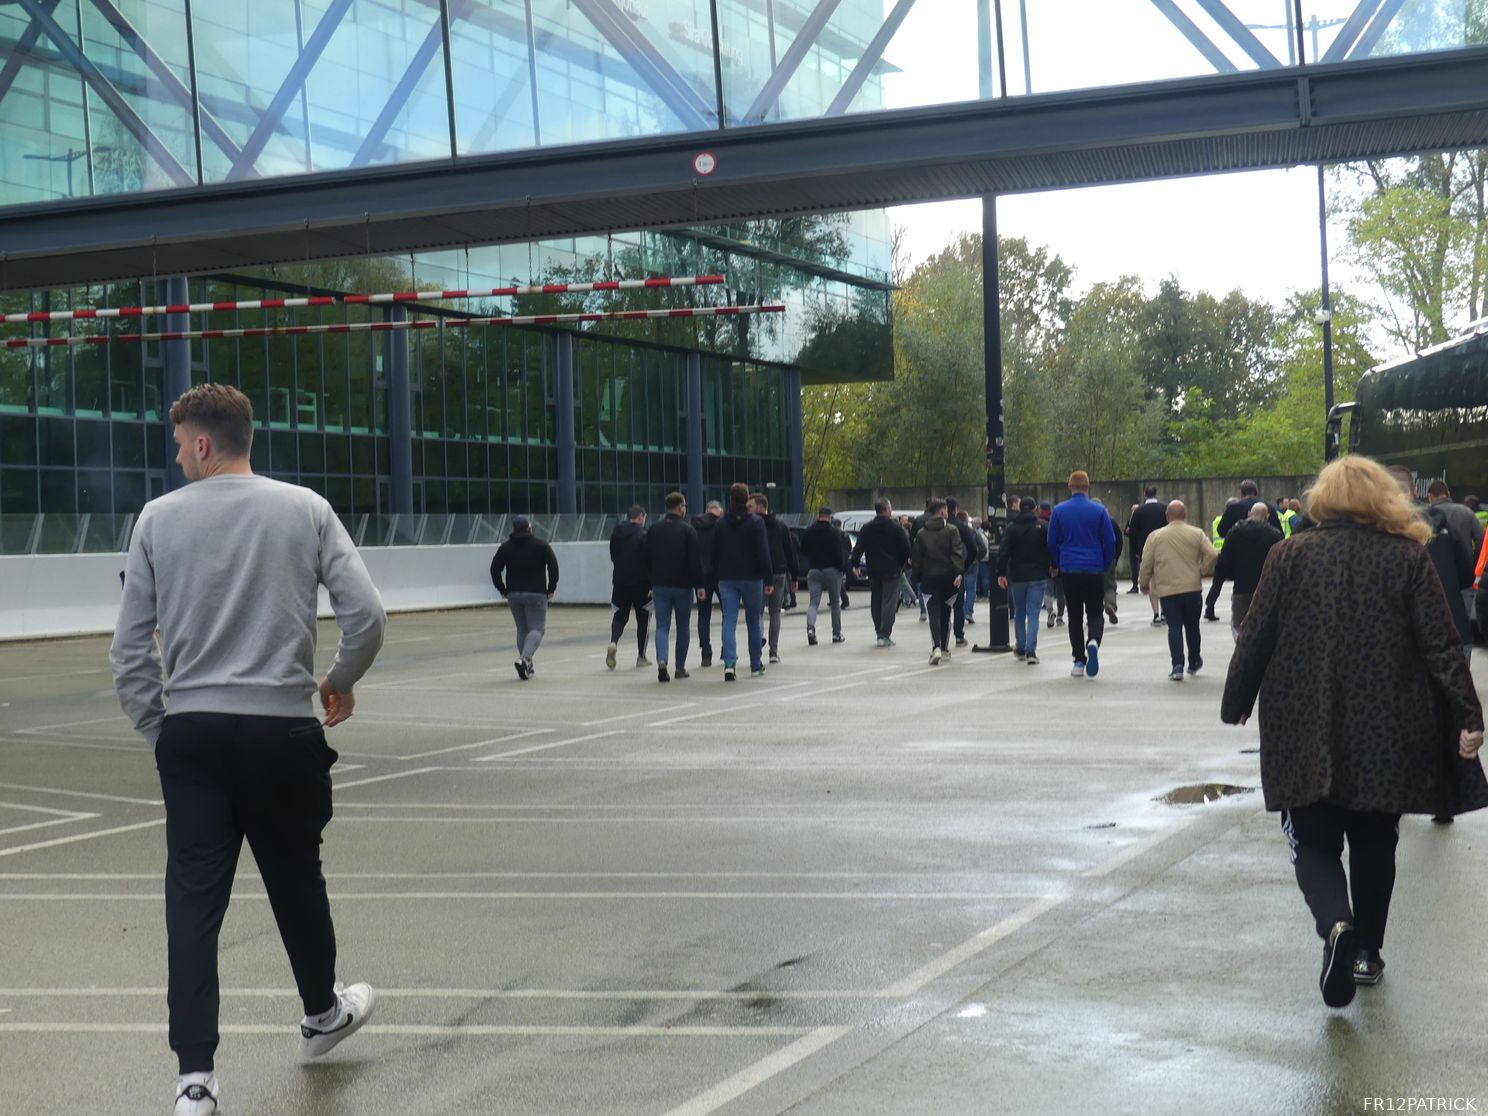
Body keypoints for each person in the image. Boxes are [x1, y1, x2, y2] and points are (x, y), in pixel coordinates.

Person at [109, 384, 386, 1116]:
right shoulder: (305, 508)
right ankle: (323, 1014)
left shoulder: (156, 520)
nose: (176, 458)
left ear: (203, 444)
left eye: (178, 446)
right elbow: (367, 616)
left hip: (195, 734)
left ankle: (195, 1081)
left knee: (193, 904)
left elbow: (129, 650)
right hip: (282, 730)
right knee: (296, 878)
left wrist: (161, 729)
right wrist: (340, 680)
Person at [1221, 455, 1487, 1008]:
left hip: (1303, 721)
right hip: (1388, 727)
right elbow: (1441, 643)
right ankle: (1366, 951)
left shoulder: (1288, 555)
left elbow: (1256, 636)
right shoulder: (1408, 559)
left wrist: (1237, 701)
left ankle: (1335, 927)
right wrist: (1469, 715)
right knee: (1375, 840)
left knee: (1312, 839)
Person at [1138, 500, 1219, 680]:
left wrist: (1143, 582)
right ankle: (1195, 660)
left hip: (1167, 589)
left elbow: (1147, 563)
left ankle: (1177, 665)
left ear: (1167, 516)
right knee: (1192, 626)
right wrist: (1203, 570)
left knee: (1174, 627)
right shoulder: (1196, 533)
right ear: (1185, 514)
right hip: (1192, 587)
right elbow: (1213, 553)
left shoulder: (1155, 536)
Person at [1047, 471, 1116, 678]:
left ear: (1070, 487)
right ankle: (1093, 640)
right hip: (1094, 568)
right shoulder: (1100, 511)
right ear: (1088, 487)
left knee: (1074, 615)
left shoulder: (1059, 511)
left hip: (1070, 568)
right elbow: (1110, 540)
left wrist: (1060, 561)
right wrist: (1103, 563)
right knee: (1095, 612)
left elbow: (1051, 541)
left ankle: (1078, 660)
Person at [712, 483, 773, 680]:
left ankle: (729, 664)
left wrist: (714, 575)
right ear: (746, 499)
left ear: (730, 499)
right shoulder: (755, 522)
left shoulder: (720, 524)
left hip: (727, 577)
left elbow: (715, 553)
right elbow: (763, 552)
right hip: (752, 577)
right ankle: (755, 664)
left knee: (728, 620)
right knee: (753, 620)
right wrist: (769, 578)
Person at [490, 514, 560, 680]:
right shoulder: (541, 546)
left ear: (513, 529)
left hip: (514, 593)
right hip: (536, 593)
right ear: (529, 527)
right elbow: (553, 567)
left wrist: (503, 589)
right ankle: (525, 658)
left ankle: (527, 665)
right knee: (537, 629)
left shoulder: (505, 547)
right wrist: (551, 588)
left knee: (522, 629)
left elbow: (494, 569)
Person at [646, 491, 703, 682]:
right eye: (684, 506)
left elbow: (646, 559)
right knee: (683, 627)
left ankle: (662, 662)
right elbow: (694, 562)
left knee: (662, 626)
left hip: (660, 585)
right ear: (680, 507)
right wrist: (699, 585)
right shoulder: (688, 530)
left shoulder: (654, 529)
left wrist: (651, 582)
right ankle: (679, 667)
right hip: (683, 586)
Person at [1212, 503, 1282, 640]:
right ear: (1267, 516)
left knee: (1239, 626)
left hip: (1241, 588)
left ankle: (1242, 653)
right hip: (1266, 589)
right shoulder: (1275, 535)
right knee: (1266, 627)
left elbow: (1223, 561)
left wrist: (1216, 589)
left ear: (1249, 513)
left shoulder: (1234, 533)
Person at [910, 497, 966, 665]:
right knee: (946, 611)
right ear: (942, 512)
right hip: (949, 578)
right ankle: (944, 648)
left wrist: (918, 577)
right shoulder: (952, 530)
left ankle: (935, 646)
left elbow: (917, 558)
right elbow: (957, 552)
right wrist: (959, 573)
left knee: (933, 612)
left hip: (929, 578)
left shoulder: (921, 534)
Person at [998, 496, 1051, 664]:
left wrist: (1001, 573)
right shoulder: (1042, 526)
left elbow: (1004, 551)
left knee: (1019, 612)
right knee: (1033, 612)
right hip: (1037, 575)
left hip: (1018, 575)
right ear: (1035, 509)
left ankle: (1020, 646)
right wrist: (1054, 566)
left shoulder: (1011, 528)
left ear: (1020, 509)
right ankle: (1031, 650)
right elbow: (1050, 548)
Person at [1427, 479, 1486, 630]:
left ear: (1430, 496)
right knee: (1463, 623)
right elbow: (1481, 539)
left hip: (1435, 577)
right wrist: (1473, 564)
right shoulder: (1466, 512)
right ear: (1448, 494)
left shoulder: (1425, 516)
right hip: (1464, 577)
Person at [852, 499, 912, 647]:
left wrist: (855, 563)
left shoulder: (867, 528)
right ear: (887, 509)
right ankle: (884, 634)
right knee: (889, 602)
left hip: (874, 570)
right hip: (892, 570)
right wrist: (902, 563)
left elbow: (859, 547)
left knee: (876, 601)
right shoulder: (896, 527)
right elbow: (906, 548)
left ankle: (878, 630)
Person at [752, 491, 796, 665]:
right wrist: (794, 575)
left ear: (761, 506)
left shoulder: (754, 525)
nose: (748, 509)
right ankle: (773, 651)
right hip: (779, 571)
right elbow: (790, 551)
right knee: (775, 612)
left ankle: (758, 644)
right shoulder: (780, 525)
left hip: (760, 573)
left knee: (757, 612)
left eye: (751, 506)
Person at [607, 505, 651, 670]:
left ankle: (613, 642)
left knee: (619, 616)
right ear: (640, 516)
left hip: (620, 582)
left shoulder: (616, 534)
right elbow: (648, 560)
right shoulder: (644, 534)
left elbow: (613, 556)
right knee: (643, 619)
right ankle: (641, 656)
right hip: (642, 583)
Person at [800, 506, 848, 645]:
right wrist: (841, 569)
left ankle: (810, 628)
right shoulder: (834, 532)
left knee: (813, 602)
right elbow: (840, 554)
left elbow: (803, 550)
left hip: (814, 570)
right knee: (835, 603)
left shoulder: (809, 532)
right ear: (829, 517)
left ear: (818, 516)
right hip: (832, 570)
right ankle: (836, 634)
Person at [1127, 487, 1167, 621]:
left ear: (1145, 495)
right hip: (1164, 549)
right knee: (1164, 580)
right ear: (1156, 493)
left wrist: (1136, 551)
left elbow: (1132, 532)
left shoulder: (1139, 511)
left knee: (1151, 581)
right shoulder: (1164, 509)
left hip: (1145, 550)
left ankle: (1156, 612)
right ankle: (1165, 612)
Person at [692, 499, 723, 667]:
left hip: (701, 576)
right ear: (717, 510)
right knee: (728, 613)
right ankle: (726, 648)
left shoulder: (694, 525)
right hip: (720, 575)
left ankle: (706, 653)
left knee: (703, 616)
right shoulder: (722, 525)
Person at [945, 498, 980, 647]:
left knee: (942, 606)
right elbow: (973, 549)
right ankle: (959, 636)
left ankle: (941, 639)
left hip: (938, 569)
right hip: (956, 570)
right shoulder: (962, 527)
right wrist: (963, 566)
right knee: (958, 605)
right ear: (956, 509)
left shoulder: (932, 526)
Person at [1204, 497, 1241, 621]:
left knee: (1217, 583)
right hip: (1235, 553)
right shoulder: (1239, 519)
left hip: (1222, 554)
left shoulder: (1218, 520)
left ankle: (1209, 608)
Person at [1217, 479, 1283, 538]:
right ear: (1256, 493)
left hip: (1240, 549)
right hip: (1265, 550)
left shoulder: (1233, 509)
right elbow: (1280, 534)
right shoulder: (1270, 508)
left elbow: (1221, 532)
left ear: (1241, 493)